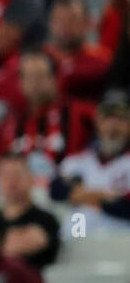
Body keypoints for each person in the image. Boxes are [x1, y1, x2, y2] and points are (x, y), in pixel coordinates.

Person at [49, 90, 130, 231]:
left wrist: (80, 194)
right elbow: (55, 191)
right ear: (97, 123)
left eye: (120, 119)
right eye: (108, 118)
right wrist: (106, 196)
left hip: (120, 242)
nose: (113, 126)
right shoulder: (76, 161)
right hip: (77, 238)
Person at [0, 154, 61, 268]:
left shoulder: (46, 220)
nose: (11, 181)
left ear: (31, 179)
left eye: (17, 175)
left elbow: (24, 245)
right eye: (6, 176)